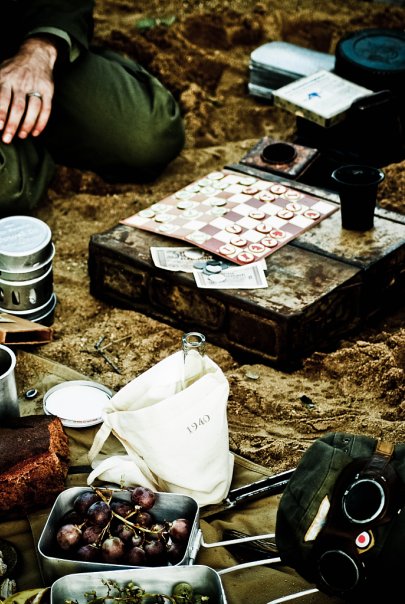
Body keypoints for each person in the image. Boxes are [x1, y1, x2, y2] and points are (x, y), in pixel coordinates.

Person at [0, 0, 185, 216]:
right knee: (8, 190)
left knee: (147, 138)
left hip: (25, 41)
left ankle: (26, 148)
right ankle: (20, 157)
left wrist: (41, 49)